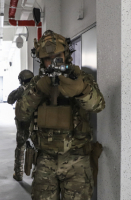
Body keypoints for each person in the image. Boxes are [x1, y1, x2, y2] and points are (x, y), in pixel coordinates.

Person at [15, 30, 105, 199]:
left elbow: (98, 105)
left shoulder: (81, 78)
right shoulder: (37, 83)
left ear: (66, 54)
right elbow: (21, 113)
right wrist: (38, 91)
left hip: (77, 158)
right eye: (48, 59)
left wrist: (80, 91)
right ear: (41, 61)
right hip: (45, 159)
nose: (53, 62)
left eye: (57, 57)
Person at [7, 69, 34, 181]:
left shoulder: (21, 90)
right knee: (39, 150)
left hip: (22, 124)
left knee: (20, 149)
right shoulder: (39, 89)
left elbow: (9, 100)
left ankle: (18, 174)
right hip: (35, 125)